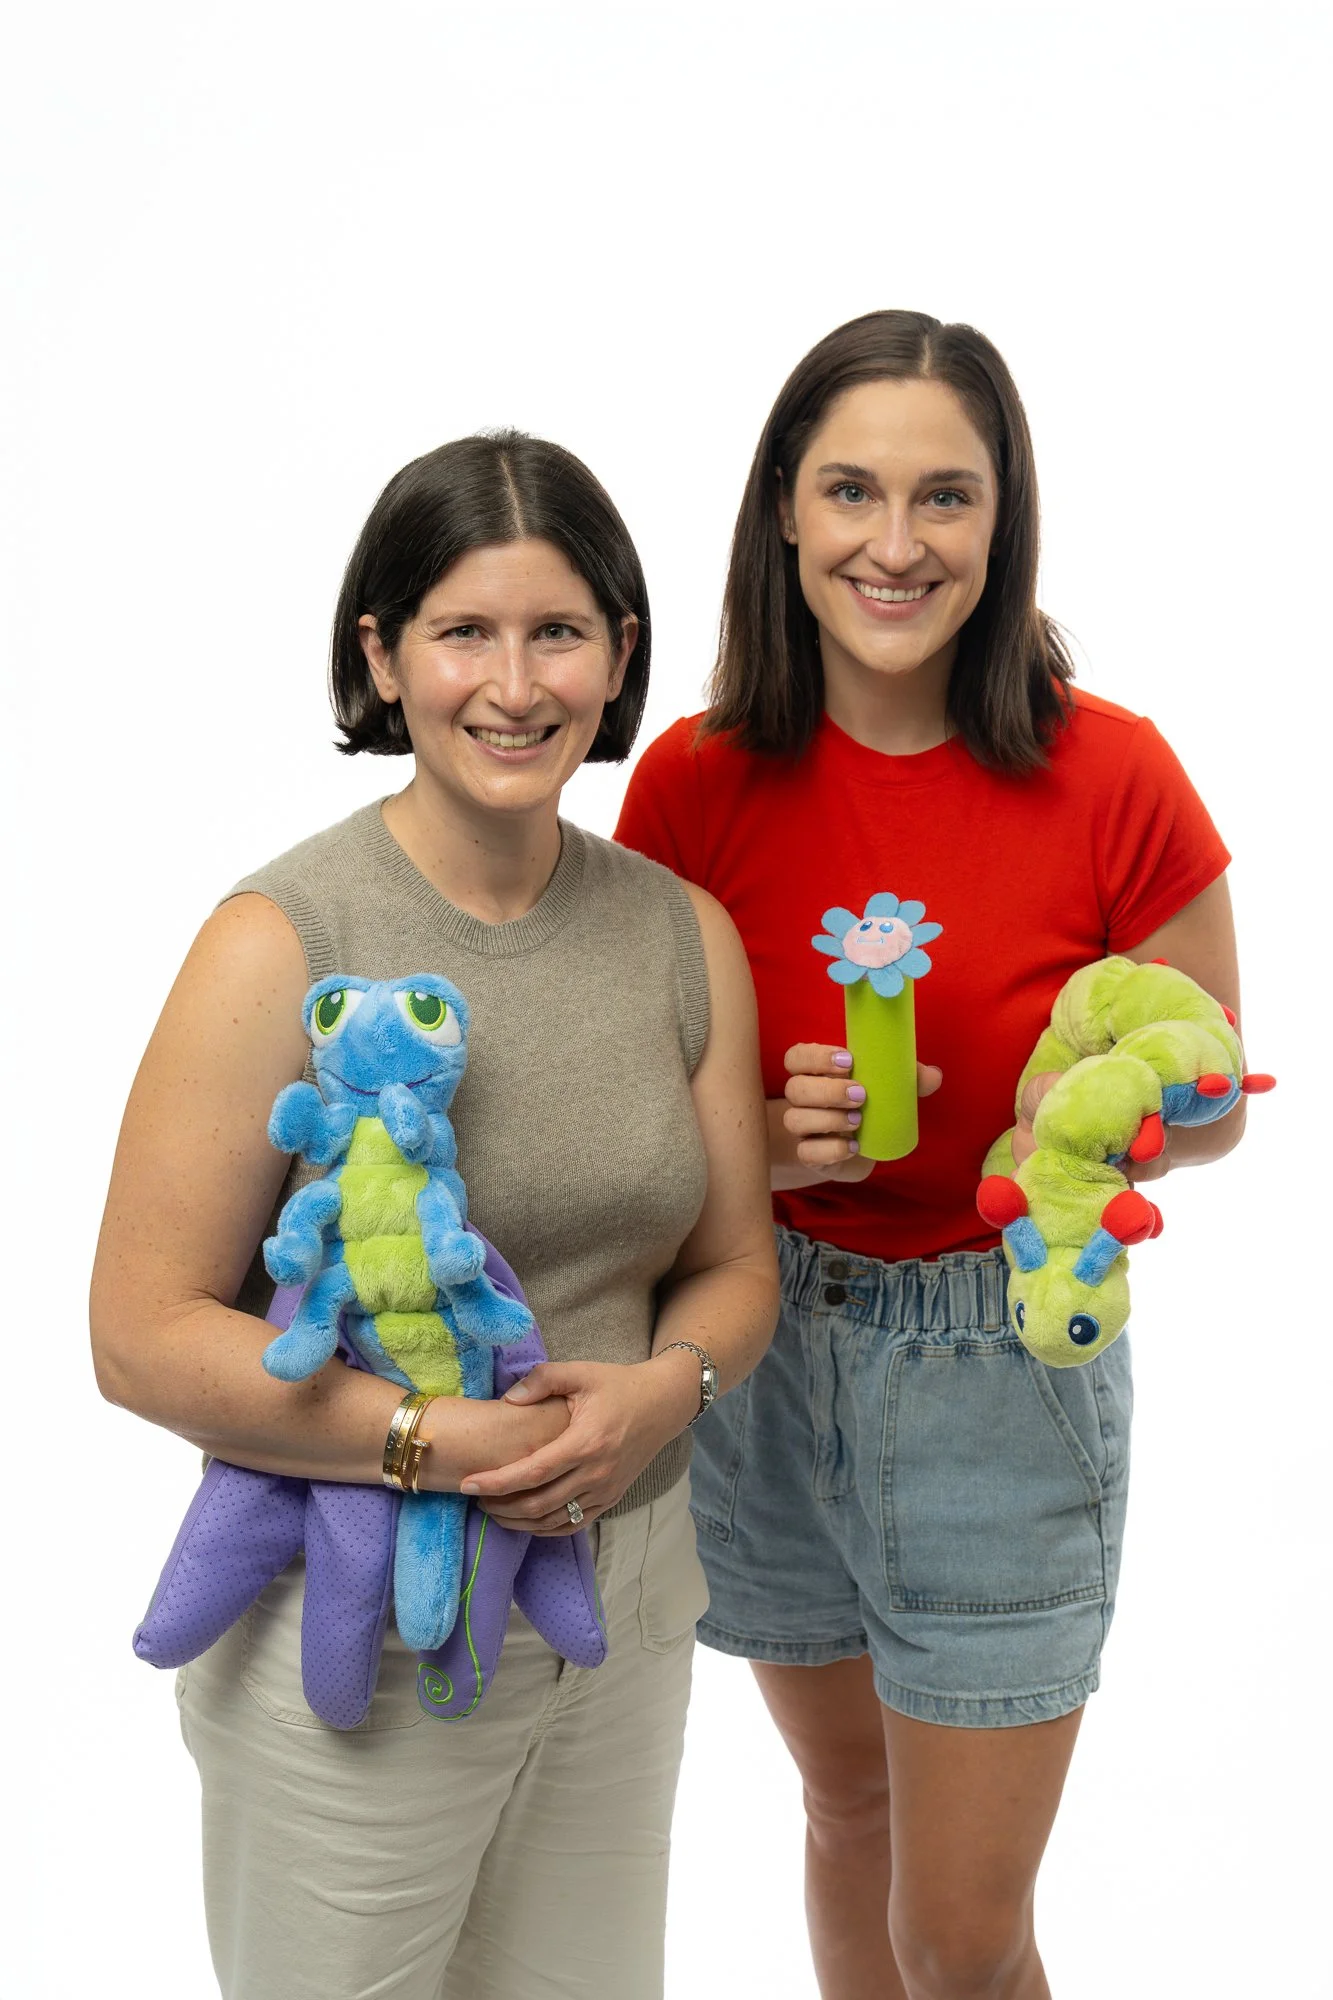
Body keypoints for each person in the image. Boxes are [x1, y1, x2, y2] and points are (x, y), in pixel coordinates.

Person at [90, 430, 778, 2000]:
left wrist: (662, 1395)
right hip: (355, 1607)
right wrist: (438, 1442)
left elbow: (737, 1262)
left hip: (623, 1591)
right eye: (465, 630)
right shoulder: (283, 938)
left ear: (619, 657)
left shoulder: (681, 935)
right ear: (383, 656)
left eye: (560, 632)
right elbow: (137, 1336)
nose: (515, 685)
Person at [615, 311, 1243, 2000]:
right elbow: (636, 1120)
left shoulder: (1115, 771)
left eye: (945, 497)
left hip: (1002, 1358)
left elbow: (1217, 1092)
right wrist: (750, 1150)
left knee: (960, 1943)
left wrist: (1091, 1115)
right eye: (852, 492)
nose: (895, 544)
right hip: (766, 1352)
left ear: (1002, 516)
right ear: (783, 509)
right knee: (848, 1804)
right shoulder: (688, 785)